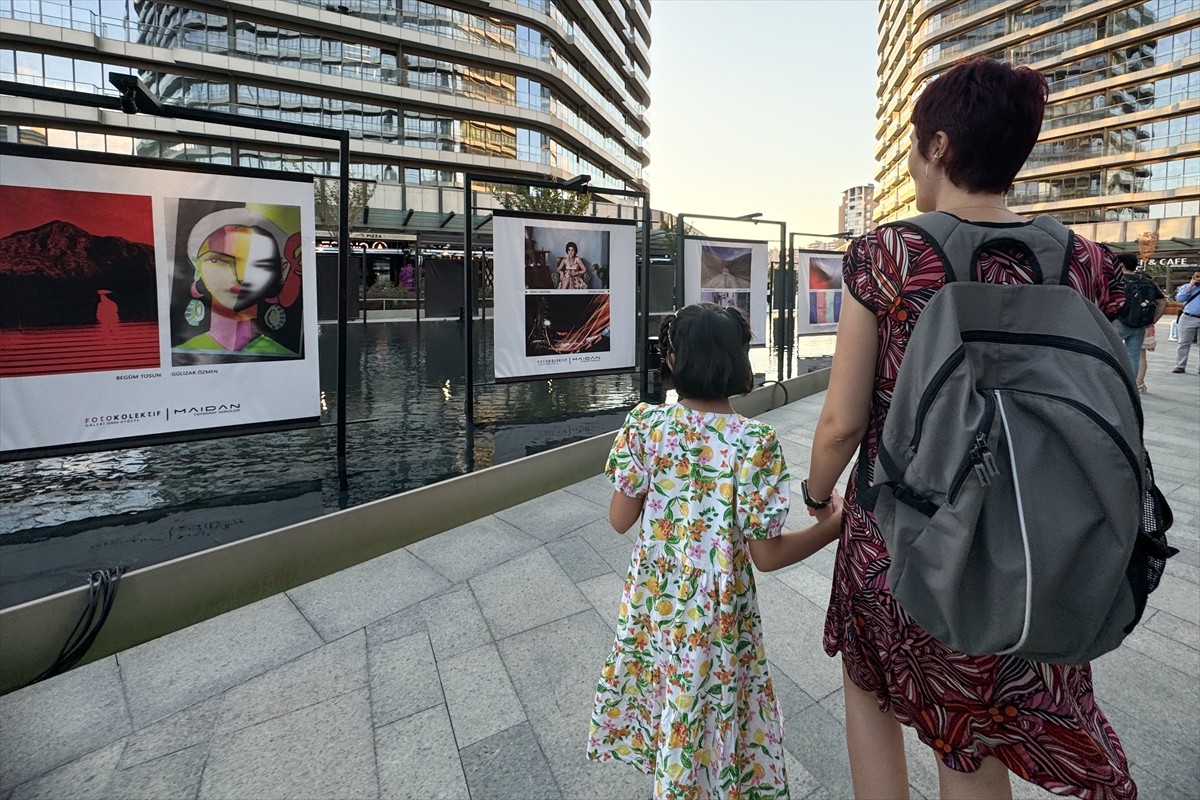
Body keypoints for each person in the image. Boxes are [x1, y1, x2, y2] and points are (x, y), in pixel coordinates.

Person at [805, 56, 1135, 800]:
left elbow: (840, 423)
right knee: (972, 731)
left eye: (916, 146)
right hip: (1027, 540)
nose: (915, 164)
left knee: (871, 690)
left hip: (899, 532)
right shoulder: (1080, 261)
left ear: (941, 147)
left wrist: (814, 490)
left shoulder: (888, 254)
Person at [587, 302, 844, 800]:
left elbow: (620, 521)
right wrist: (835, 527)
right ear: (738, 363)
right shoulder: (755, 443)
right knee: (713, 715)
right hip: (719, 618)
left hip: (655, 608)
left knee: (674, 709)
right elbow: (766, 557)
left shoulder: (644, 426)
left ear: (673, 361)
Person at [177, 208, 298, 357]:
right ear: (197, 267)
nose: (240, 277)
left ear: (281, 273)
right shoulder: (182, 354)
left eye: (260, 265)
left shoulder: (284, 356)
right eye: (218, 260)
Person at [1112, 252, 1165, 378]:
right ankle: (1132, 385)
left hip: (1118, 322)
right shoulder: (1148, 282)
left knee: (1110, 351)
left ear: (1121, 264)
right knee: (1133, 356)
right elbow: (1162, 302)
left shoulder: (1116, 281)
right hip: (1140, 325)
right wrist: (1152, 321)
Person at [1172, 270, 1200, 373]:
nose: (1198, 279)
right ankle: (1180, 365)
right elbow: (1179, 298)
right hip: (1188, 317)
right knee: (1183, 343)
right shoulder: (1187, 287)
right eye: (1196, 276)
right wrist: (1191, 286)